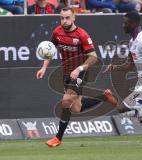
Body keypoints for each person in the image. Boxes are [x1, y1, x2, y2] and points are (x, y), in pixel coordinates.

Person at [36, 7, 118, 147]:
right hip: (66, 73)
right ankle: (104, 96)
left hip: (81, 73)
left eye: (67, 18)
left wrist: (79, 68)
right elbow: (49, 50)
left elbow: (93, 57)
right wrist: (44, 67)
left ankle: (58, 138)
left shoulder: (82, 35)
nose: (64, 20)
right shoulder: (57, 32)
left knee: (66, 101)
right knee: (76, 108)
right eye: (62, 18)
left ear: (74, 18)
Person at [104, 11, 142, 145]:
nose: (123, 26)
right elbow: (129, 65)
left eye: (125, 23)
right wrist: (114, 67)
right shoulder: (133, 42)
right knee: (139, 114)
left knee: (122, 109)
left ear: (134, 24)